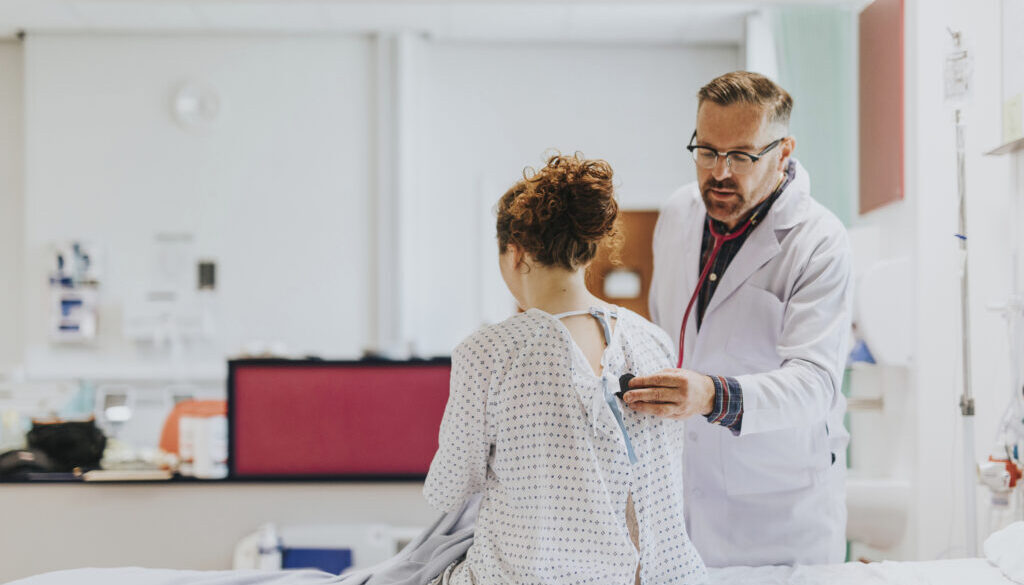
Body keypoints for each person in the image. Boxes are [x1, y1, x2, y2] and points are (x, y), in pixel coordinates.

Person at [423, 153, 707, 585]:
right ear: (585, 252)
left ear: (515, 254)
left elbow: (447, 489)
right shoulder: (652, 340)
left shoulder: (488, 352)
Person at [624, 71, 853, 567]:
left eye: (742, 155)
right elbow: (668, 336)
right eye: (706, 151)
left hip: (780, 514)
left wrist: (711, 394)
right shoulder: (677, 214)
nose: (719, 172)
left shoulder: (818, 241)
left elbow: (816, 385)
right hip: (682, 503)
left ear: (784, 152)